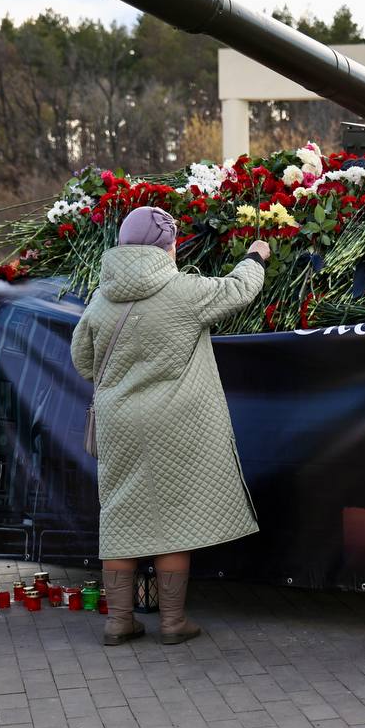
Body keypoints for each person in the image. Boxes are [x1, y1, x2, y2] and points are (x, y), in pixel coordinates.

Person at [70, 205, 270, 646]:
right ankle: (174, 623)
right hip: (174, 423)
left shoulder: (102, 299)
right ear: (168, 245)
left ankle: (119, 621)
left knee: (121, 515)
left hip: (118, 422)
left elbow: (83, 361)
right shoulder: (183, 290)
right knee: (173, 521)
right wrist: (255, 256)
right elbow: (238, 290)